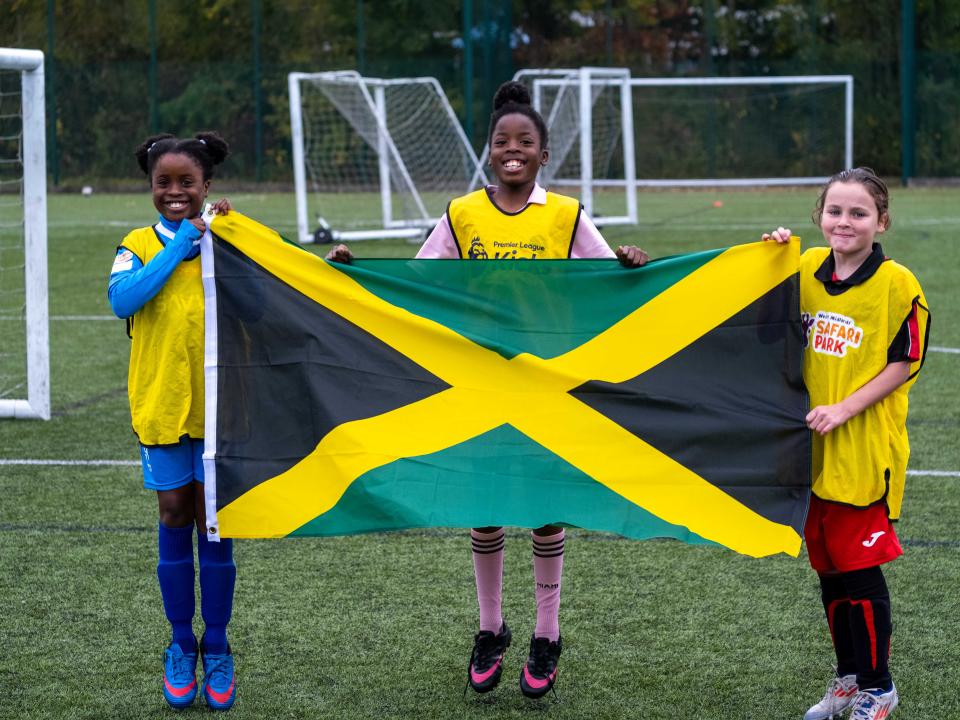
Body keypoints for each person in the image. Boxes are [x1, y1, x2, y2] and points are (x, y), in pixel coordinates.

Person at [327, 80, 649, 699]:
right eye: (502, 140)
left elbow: (608, 283)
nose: (512, 150)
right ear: (488, 152)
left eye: (525, 142)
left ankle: (547, 636)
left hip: (546, 381)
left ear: (543, 156)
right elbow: (416, 284)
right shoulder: (461, 214)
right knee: (485, 501)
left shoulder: (567, 216)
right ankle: (491, 628)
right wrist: (353, 271)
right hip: (476, 381)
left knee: (546, 505)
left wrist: (630, 262)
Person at [764, 167, 929, 720]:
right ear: (820, 217)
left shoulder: (897, 282)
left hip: (863, 447)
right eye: (835, 211)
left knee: (859, 572)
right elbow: (761, 298)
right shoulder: (808, 267)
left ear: (880, 221)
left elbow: (906, 361)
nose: (844, 222)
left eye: (859, 213)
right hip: (812, 449)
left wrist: (845, 407)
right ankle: (848, 679)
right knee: (830, 569)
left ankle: (879, 689)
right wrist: (773, 251)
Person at [107, 132, 238, 711]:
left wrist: (326, 271)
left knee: (216, 519)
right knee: (174, 512)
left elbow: (274, 292)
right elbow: (123, 300)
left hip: (220, 410)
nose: (176, 191)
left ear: (207, 186)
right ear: (151, 189)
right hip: (161, 409)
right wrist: (181, 243)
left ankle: (220, 645)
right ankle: (180, 643)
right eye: (165, 183)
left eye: (188, 182)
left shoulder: (227, 240)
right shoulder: (137, 242)